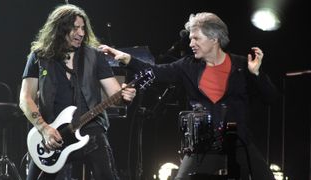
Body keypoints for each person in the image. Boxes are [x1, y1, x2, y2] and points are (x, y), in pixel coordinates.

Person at [99, 12, 278, 180]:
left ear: (214, 39)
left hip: (239, 142)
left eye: (196, 38)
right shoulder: (188, 65)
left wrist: (256, 74)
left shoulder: (241, 65)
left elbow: (271, 98)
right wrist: (125, 58)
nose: (191, 43)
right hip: (203, 145)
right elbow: (155, 72)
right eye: (191, 38)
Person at [19, 4, 136, 180]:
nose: (81, 33)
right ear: (60, 29)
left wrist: (125, 96)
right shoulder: (39, 56)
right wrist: (44, 128)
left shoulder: (94, 56)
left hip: (91, 129)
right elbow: (25, 98)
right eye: (75, 28)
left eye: (83, 28)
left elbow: (115, 93)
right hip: (51, 133)